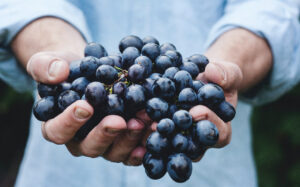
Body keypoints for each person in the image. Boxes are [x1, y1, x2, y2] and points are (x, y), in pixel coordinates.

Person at [1, 0, 300, 186]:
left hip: (212, 171)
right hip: (63, 174)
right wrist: (54, 50)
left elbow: (274, 7)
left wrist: (226, 64)